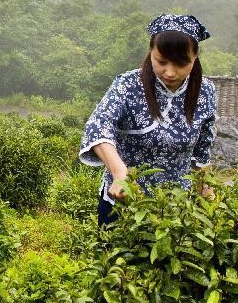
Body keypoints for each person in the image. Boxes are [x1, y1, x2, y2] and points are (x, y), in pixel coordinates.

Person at [79, 13, 217, 225]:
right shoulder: (128, 85)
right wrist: (120, 174)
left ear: (195, 58)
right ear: (151, 52)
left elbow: (201, 154)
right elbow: (99, 126)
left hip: (175, 211)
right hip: (122, 205)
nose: (169, 72)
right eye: (161, 61)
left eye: (180, 63)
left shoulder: (205, 91)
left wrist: (210, 206)